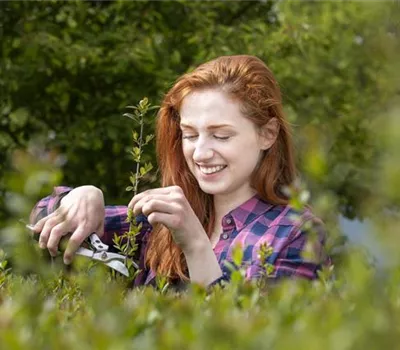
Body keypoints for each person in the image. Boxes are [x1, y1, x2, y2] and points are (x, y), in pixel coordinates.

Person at [29, 55, 329, 288]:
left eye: (221, 135)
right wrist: (80, 198)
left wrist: (196, 244)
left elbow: (259, 336)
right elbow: (42, 221)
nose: (200, 153)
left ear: (268, 134)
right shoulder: (157, 225)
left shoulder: (293, 235)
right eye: (189, 134)